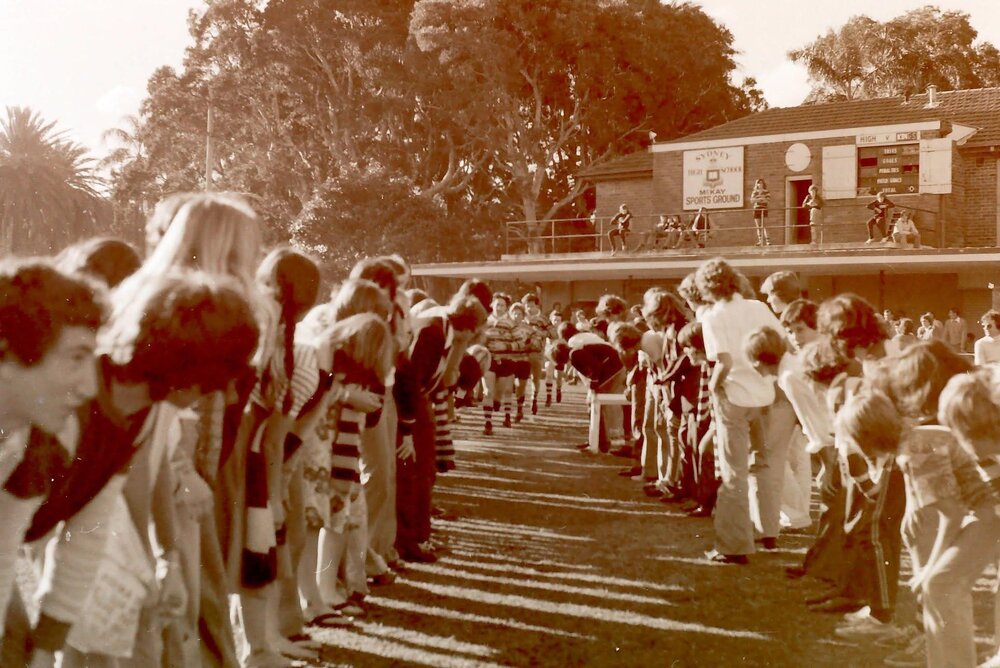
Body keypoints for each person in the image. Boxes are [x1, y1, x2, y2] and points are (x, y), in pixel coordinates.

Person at [695, 258, 783, 564]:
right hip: (764, 395)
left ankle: (733, 546)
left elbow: (724, 362)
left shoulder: (713, 316)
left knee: (734, 473)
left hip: (733, 397)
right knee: (763, 465)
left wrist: (712, 387)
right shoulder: (757, 307)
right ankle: (767, 531)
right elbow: (782, 344)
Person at [750, 179, 771, 247]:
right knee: (758, 226)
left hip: (764, 208)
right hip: (756, 209)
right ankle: (760, 240)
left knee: (765, 225)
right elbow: (752, 200)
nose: (760, 184)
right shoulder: (755, 192)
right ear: (757, 184)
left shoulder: (766, 191)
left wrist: (760, 199)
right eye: (759, 183)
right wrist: (760, 199)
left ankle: (768, 241)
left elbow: (768, 200)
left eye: (761, 183)